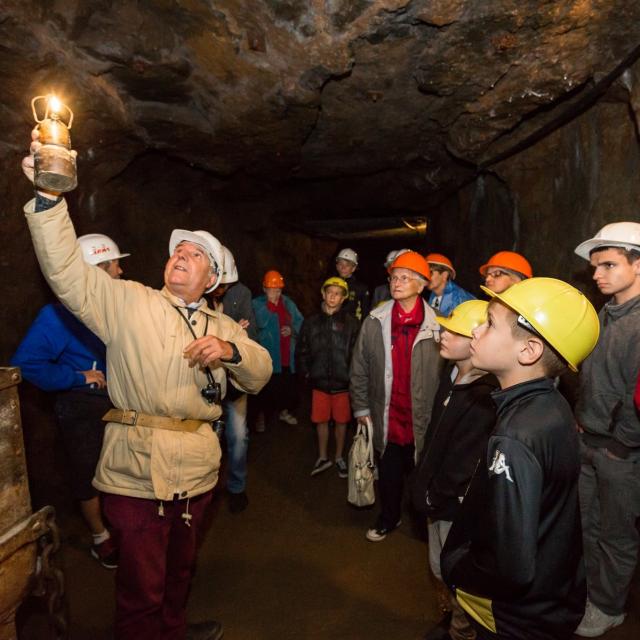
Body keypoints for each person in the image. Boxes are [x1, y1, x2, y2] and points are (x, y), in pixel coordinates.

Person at [21, 130, 272, 640]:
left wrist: (231, 351)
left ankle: (174, 631)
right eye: (178, 249)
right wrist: (50, 200)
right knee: (141, 586)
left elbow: (261, 371)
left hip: (198, 472)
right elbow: (68, 272)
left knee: (179, 573)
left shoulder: (222, 324)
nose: (181, 254)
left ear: (213, 279)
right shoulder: (128, 301)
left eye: (195, 254)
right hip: (134, 470)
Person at [440, 277, 600, 640]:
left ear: (528, 351)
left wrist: (457, 566)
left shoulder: (514, 437)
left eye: (491, 323)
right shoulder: (552, 406)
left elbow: (510, 566)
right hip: (552, 599)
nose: (476, 331)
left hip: (512, 617)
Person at [11, 233, 129, 569]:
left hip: (117, 401)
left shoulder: (119, 306)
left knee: (120, 468)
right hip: (81, 406)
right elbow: (28, 364)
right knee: (87, 473)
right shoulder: (57, 316)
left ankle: (120, 526)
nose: (120, 271)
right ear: (95, 271)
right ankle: (101, 538)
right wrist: (76, 377)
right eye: (114, 265)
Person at [411, 300, 497, 640]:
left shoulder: (483, 394)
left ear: (476, 339)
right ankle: (450, 619)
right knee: (439, 566)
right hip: (435, 499)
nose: (443, 335)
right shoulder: (451, 374)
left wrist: (433, 494)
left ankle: (461, 631)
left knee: (458, 572)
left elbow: (465, 461)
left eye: (454, 331)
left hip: (452, 505)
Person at [572, 222, 640, 638]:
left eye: (609, 264)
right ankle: (593, 593)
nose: (597, 274)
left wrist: (622, 442)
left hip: (621, 452)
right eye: (596, 266)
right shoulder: (606, 311)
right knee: (587, 524)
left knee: (616, 534)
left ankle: (609, 607)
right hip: (590, 439)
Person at [350, 251, 443, 542]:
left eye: (405, 278)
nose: (397, 282)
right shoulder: (374, 321)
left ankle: (421, 522)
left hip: (421, 416)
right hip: (386, 413)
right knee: (388, 473)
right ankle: (388, 517)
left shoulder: (437, 327)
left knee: (420, 474)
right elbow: (359, 366)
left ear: (421, 285)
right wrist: (361, 407)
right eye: (394, 277)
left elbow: (446, 377)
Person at [296, 277, 360, 477]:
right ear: (323, 294)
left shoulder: (352, 324)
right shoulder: (311, 322)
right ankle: (323, 456)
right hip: (320, 383)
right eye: (329, 292)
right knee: (321, 421)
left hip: (343, 383)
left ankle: (339, 457)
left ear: (344, 298)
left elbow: (358, 354)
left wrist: (353, 377)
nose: (333, 296)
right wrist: (306, 373)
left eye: (338, 293)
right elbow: (302, 350)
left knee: (341, 422)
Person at [210, 246, 256, 513]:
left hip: (234, 381)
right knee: (206, 438)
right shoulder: (197, 296)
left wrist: (240, 337)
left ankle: (236, 487)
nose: (221, 289)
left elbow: (252, 337)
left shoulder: (242, 294)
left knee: (238, 436)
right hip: (205, 381)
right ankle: (207, 486)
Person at [253, 270, 303, 430]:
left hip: (286, 353)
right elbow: (259, 323)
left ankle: (284, 411)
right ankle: (260, 416)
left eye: (278, 290)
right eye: (272, 289)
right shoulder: (257, 304)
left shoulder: (288, 303)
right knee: (265, 388)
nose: (275, 293)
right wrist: (270, 305)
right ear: (264, 288)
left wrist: (292, 330)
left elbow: (300, 322)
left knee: (286, 387)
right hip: (267, 354)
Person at [335, 247, 370, 321]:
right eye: (341, 264)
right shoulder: (330, 285)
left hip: (353, 329)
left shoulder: (361, 288)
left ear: (353, 268)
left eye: (347, 265)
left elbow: (365, 312)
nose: (343, 267)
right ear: (337, 266)